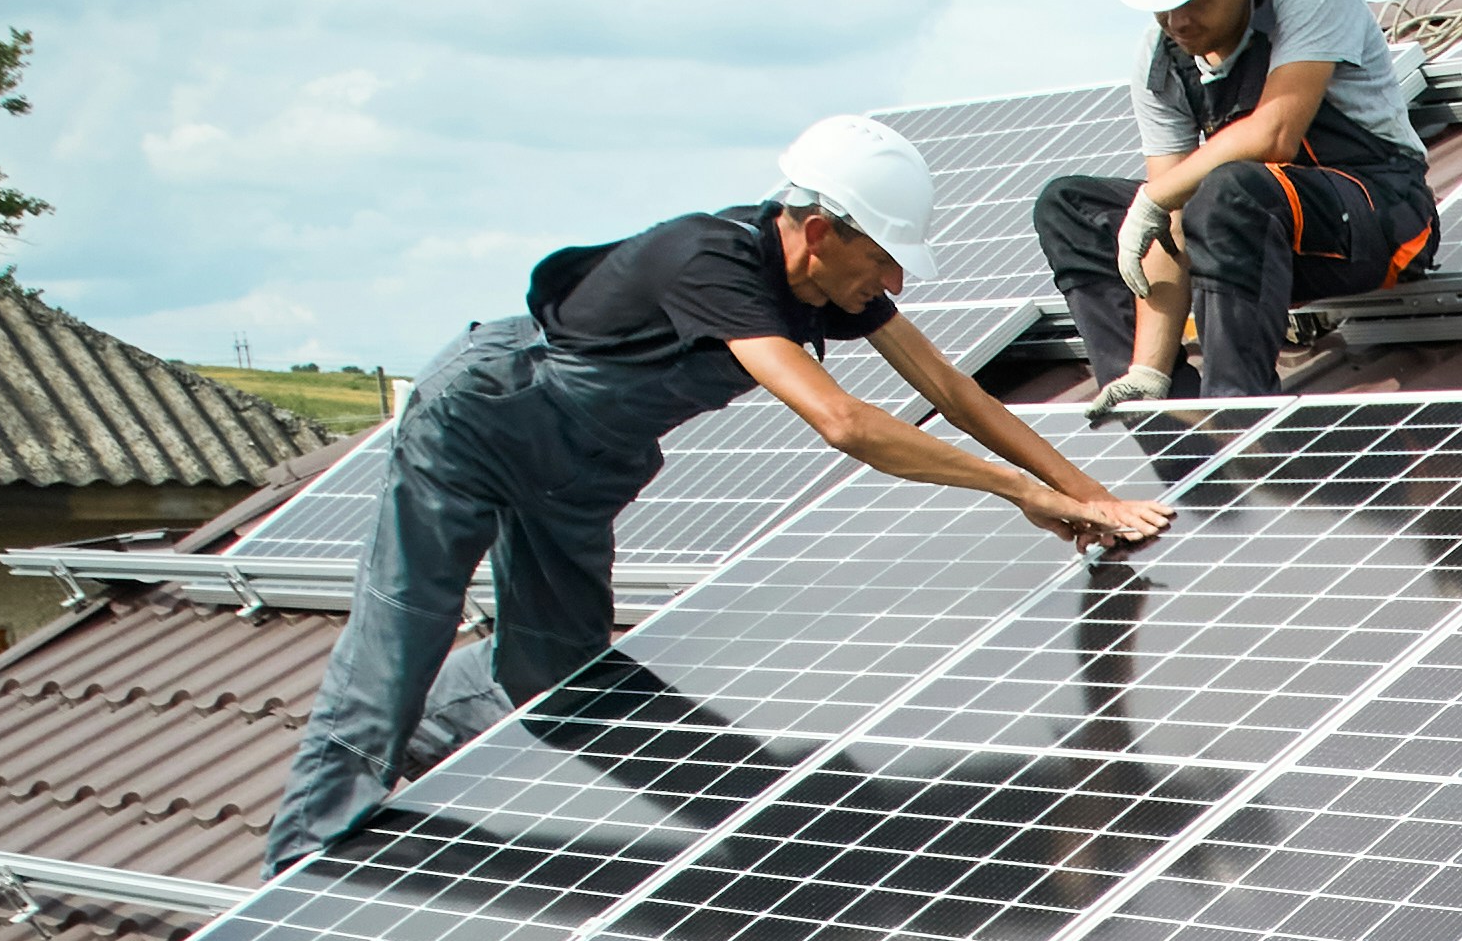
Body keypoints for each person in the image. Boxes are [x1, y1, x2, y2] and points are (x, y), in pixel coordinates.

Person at [263, 116, 1171, 873]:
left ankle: (416, 726)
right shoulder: (710, 260)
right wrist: (1019, 492)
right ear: (820, 229)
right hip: (481, 421)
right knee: (402, 630)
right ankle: (299, 865)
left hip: (580, 465)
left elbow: (953, 392)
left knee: (560, 673)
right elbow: (844, 423)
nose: (892, 283)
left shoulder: (831, 288)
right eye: (885, 258)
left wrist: (1088, 496)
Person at [1035, 0, 1438, 408]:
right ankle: (1162, 415)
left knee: (1227, 190)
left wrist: (1158, 197)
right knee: (1068, 205)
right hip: (1258, 246)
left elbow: (1275, 136)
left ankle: (1237, 413)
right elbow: (1168, 219)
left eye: (1194, 0)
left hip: (1380, 221)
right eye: (1163, 6)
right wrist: (1149, 366)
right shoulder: (1160, 62)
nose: (1177, 22)